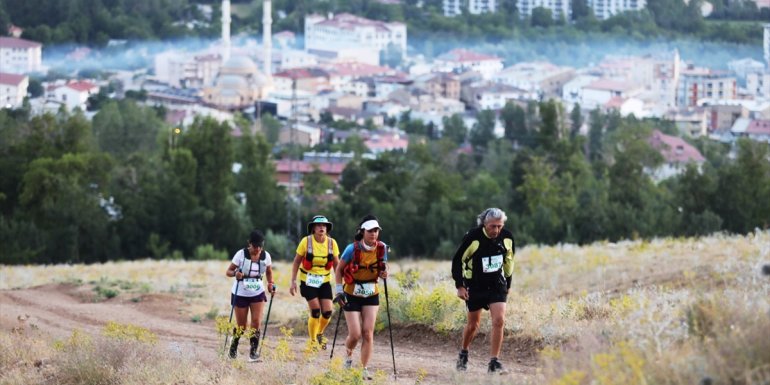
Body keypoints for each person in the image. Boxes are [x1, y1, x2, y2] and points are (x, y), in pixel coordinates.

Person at [451, 208, 515, 374]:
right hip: (476, 285)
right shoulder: (473, 237)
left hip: (496, 284)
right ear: (484, 224)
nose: (496, 230)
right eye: (492, 226)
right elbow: (458, 260)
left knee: (499, 320)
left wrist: (508, 283)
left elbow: (509, 261)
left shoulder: (507, 237)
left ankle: (494, 362)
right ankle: (464, 352)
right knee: (473, 325)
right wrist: (460, 285)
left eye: (499, 226)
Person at [333, 215, 389, 381]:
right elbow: (339, 270)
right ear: (363, 231)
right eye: (370, 230)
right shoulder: (352, 249)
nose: (373, 234)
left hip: (372, 293)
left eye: (376, 230)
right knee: (356, 334)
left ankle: (364, 368)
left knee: (368, 333)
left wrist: (385, 273)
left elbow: (383, 268)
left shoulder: (382, 248)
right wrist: (338, 291)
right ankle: (348, 358)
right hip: (351, 293)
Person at [289, 215, 341, 350]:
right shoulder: (306, 242)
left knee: (328, 312)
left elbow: (337, 265)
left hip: (324, 281)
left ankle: (320, 333)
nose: (321, 228)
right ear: (313, 228)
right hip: (307, 281)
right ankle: (312, 341)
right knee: (316, 311)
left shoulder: (332, 243)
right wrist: (293, 281)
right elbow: (296, 261)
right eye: (318, 225)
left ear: (327, 228)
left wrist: (341, 284)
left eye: (324, 225)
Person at [225, 229, 276, 361]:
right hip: (240, 292)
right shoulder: (240, 254)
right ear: (250, 243)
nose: (257, 249)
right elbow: (228, 271)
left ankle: (253, 353)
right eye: (255, 246)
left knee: (256, 322)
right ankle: (233, 346)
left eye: (260, 246)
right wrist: (236, 273)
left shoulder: (266, 256)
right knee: (242, 326)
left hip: (257, 291)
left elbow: (269, 272)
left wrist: (270, 283)